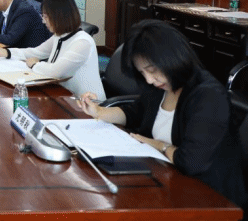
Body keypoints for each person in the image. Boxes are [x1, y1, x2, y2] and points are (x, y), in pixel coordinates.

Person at [77, 19, 246, 209]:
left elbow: (191, 162)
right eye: (143, 73)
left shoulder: (208, 96)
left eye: (152, 70)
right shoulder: (160, 88)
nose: (149, 79)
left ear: (172, 57)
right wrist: (98, 111)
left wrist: (157, 145)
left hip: (211, 200)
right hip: (165, 182)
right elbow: (132, 114)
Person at [0, 0, 105, 99]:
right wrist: (5, 52)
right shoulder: (59, 36)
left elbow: (56, 72)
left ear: (59, 17)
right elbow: (35, 52)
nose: (43, 21)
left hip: (87, 104)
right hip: (62, 95)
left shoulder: (82, 42)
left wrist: (35, 64)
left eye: (46, 17)